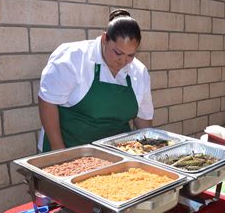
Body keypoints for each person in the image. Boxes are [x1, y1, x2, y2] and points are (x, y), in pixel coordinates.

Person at [37, 9, 153, 152]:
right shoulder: (73, 57)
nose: (122, 60)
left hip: (116, 154)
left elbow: (143, 118)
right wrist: (59, 151)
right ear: (104, 38)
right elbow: (47, 101)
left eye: (130, 55)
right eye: (118, 52)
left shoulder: (139, 71)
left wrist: (149, 150)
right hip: (69, 147)